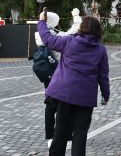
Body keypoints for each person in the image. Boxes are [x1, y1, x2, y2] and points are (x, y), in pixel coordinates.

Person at [38, 14, 109, 156]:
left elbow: (48, 39)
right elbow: (103, 75)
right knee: (80, 134)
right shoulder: (100, 50)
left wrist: (41, 22)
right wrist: (105, 95)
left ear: (82, 27)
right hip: (85, 98)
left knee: (60, 133)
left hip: (65, 95)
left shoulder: (70, 42)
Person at [34, 11, 67, 148]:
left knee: (56, 105)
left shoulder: (48, 34)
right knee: (54, 105)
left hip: (53, 74)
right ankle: (51, 136)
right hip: (54, 74)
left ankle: (57, 134)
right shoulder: (46, 36)